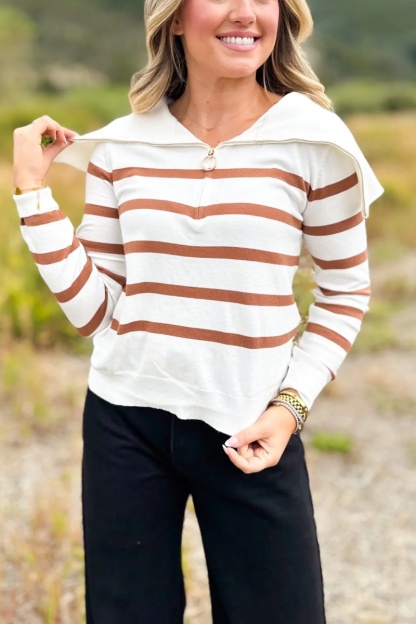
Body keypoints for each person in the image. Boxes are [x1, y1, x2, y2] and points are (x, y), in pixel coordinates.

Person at [12, 0, 383, 622]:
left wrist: (289, 409)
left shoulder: (317, 143)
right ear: (175, 17)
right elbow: (96, 314)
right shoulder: (121, 144)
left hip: (251, 425)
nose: (245, 12)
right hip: (124, 421)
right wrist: (34, 196)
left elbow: (345, 291)